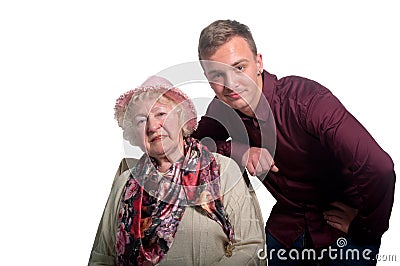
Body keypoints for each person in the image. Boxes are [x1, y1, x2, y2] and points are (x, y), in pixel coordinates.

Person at [192, 19, 396, 265]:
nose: (230, 83)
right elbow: (194, 146)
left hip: (341, 228)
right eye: (217, 75)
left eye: (239, 68)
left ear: (259, 63)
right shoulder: (222, 107)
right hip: (288, 227)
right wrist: (240, 151)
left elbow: (379, 167)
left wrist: (366, 228)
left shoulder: (307, 102)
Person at [88, 76, 266, 265]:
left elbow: (251, 246)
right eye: (141, 121)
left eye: (161, 114)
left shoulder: (223, 170)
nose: (152, 126)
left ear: (182, 119)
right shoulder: (125, 182)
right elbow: (102, 257)